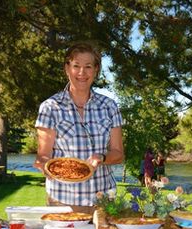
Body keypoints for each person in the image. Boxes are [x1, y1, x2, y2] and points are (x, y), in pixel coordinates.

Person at [33, 42, 125, 214]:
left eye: (88, 66)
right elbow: (43, 156)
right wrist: (47, 167)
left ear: (96, 70)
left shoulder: (109, 106)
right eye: (76, 66)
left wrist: (101, 157)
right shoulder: (50, 107)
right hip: (63, 202)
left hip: (103, 201)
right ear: (67, 68)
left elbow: (118, 154)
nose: (82, 73)